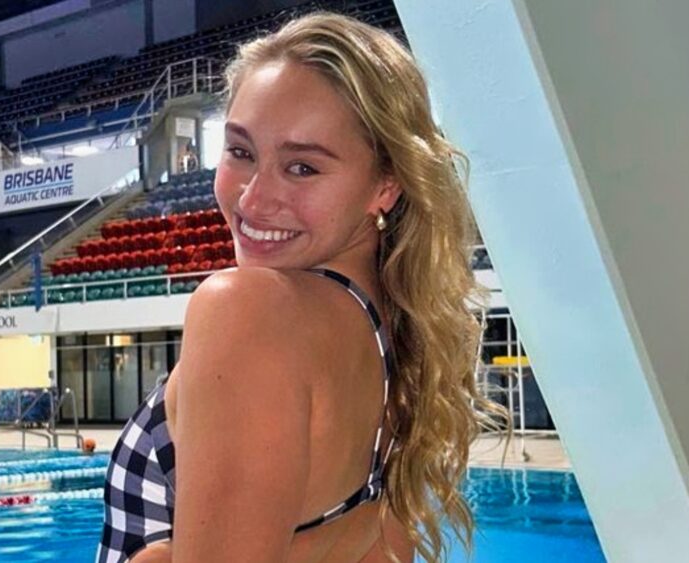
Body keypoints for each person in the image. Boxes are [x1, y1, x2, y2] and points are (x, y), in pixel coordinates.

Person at [98, 13, 498, 563]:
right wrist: (364, 528)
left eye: (303, 167)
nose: (253, 200)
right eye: (240, 152)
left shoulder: (247, 309)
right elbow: (393, 542)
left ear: (386, 184)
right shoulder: (385, 336)